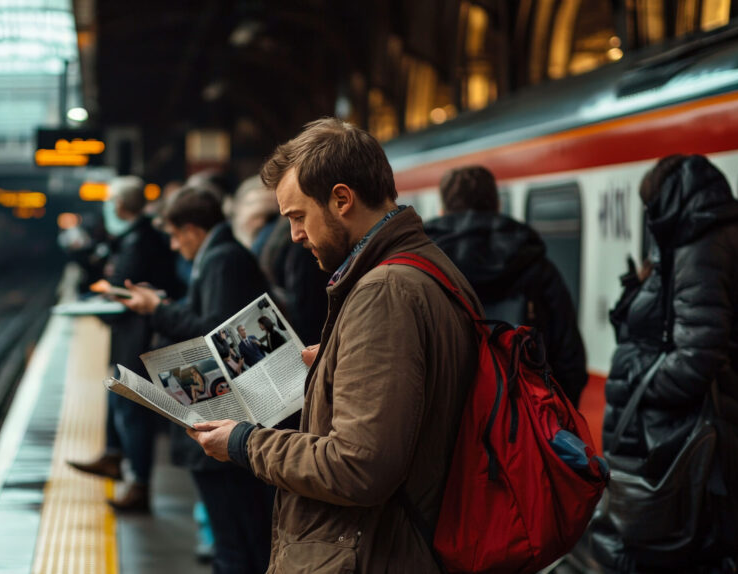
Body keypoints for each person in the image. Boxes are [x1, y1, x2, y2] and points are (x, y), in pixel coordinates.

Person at [189, 117, 482, 572]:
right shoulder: (421, 266)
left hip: (372, 554)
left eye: (298, 217)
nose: (294, 235)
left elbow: (358, 465)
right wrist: (329, 369)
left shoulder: (384, 292)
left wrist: (244, 442)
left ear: (342, 199)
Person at [579, 155, 738, 572]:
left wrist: (632, 383)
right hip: (696, 432)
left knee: (665, 546)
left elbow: (695, 357)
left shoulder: (700, 244)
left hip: (689, 437)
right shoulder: (700, 236)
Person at [120, 185, 276, 574]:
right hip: (224, 411)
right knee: (238, 537)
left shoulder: (223, 259)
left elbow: (213, 335)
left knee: (236, 540)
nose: (173, 246)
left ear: (192, 230)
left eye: (175, 235)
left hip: (228, 413)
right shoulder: (221, 256)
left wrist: (159, 311)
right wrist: (166, 307)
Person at [423, 165, 588, 405]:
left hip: (446, 424)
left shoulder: (423, 267)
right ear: (497, 206)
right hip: (517, 424)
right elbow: (569, 359)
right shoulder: (537, 267)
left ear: (442, 208)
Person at [67, 175, 183, 513]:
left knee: (132, 413)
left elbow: (121, 290)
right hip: (133, 340)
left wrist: (100, 295)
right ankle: (115, 458)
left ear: (118, 205)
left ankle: (139, 485)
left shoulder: (139, 241)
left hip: (141, 343)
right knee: (120, 407)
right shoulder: (136, 238)